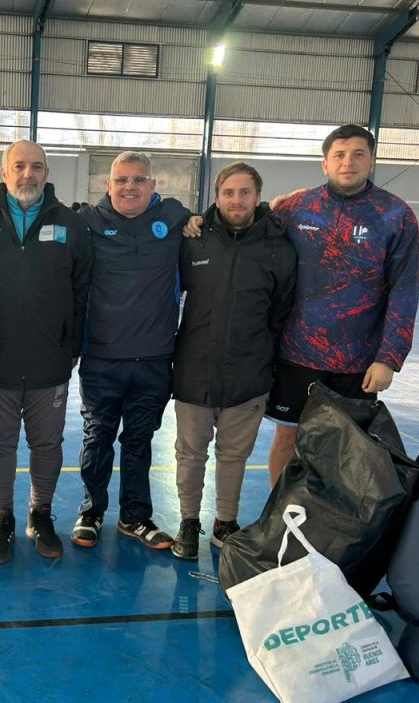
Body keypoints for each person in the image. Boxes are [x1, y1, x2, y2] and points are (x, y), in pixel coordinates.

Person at [262, 124, 419, 485]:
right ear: (325, 164)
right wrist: (198, 221)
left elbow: (405, 290)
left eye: (358, 154)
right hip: (295, 353)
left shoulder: (395, 215)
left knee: (346, 448)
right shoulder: (297, 208)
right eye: (339, 155)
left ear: (372, 161)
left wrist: (388, 358)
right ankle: (281, 519)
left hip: (357, 361)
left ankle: (331, 525)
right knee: (288, 438)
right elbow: (247, 231)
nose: (348, 162)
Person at [0, 140, 93, 563]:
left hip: (49, 360)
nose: (28, 174)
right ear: (4, 172)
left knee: (47, 444)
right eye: (19, 166)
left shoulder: (71, 225)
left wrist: (71, 344)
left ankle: (40, 514)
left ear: (47, 171)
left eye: (36, 166)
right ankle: (1, 518)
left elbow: (81, 289)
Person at [170, 162, 297, 560]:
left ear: (258, 197)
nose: (236, 200)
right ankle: (189, 521)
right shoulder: (192, 241)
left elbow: (281, 313)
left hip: (249, 373)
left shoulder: (279, 249)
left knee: (234, 455)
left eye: (245, 193)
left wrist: (267, 361)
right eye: (229, 193)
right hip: (194, 369)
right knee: (189, 454)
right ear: (217, 197)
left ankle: (225, 521)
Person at [69, 151, 191, 551]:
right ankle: (91, 511)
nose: (130, 187)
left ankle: (135, 517)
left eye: (139, 180)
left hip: (155, 358)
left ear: (153, 186)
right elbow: (41, 214)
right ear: (109, 185)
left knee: (139, 441)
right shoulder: (88, 221)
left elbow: (230, 215)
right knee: (97, 436)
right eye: (121, 180)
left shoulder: (175, 219)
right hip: (101, 357)